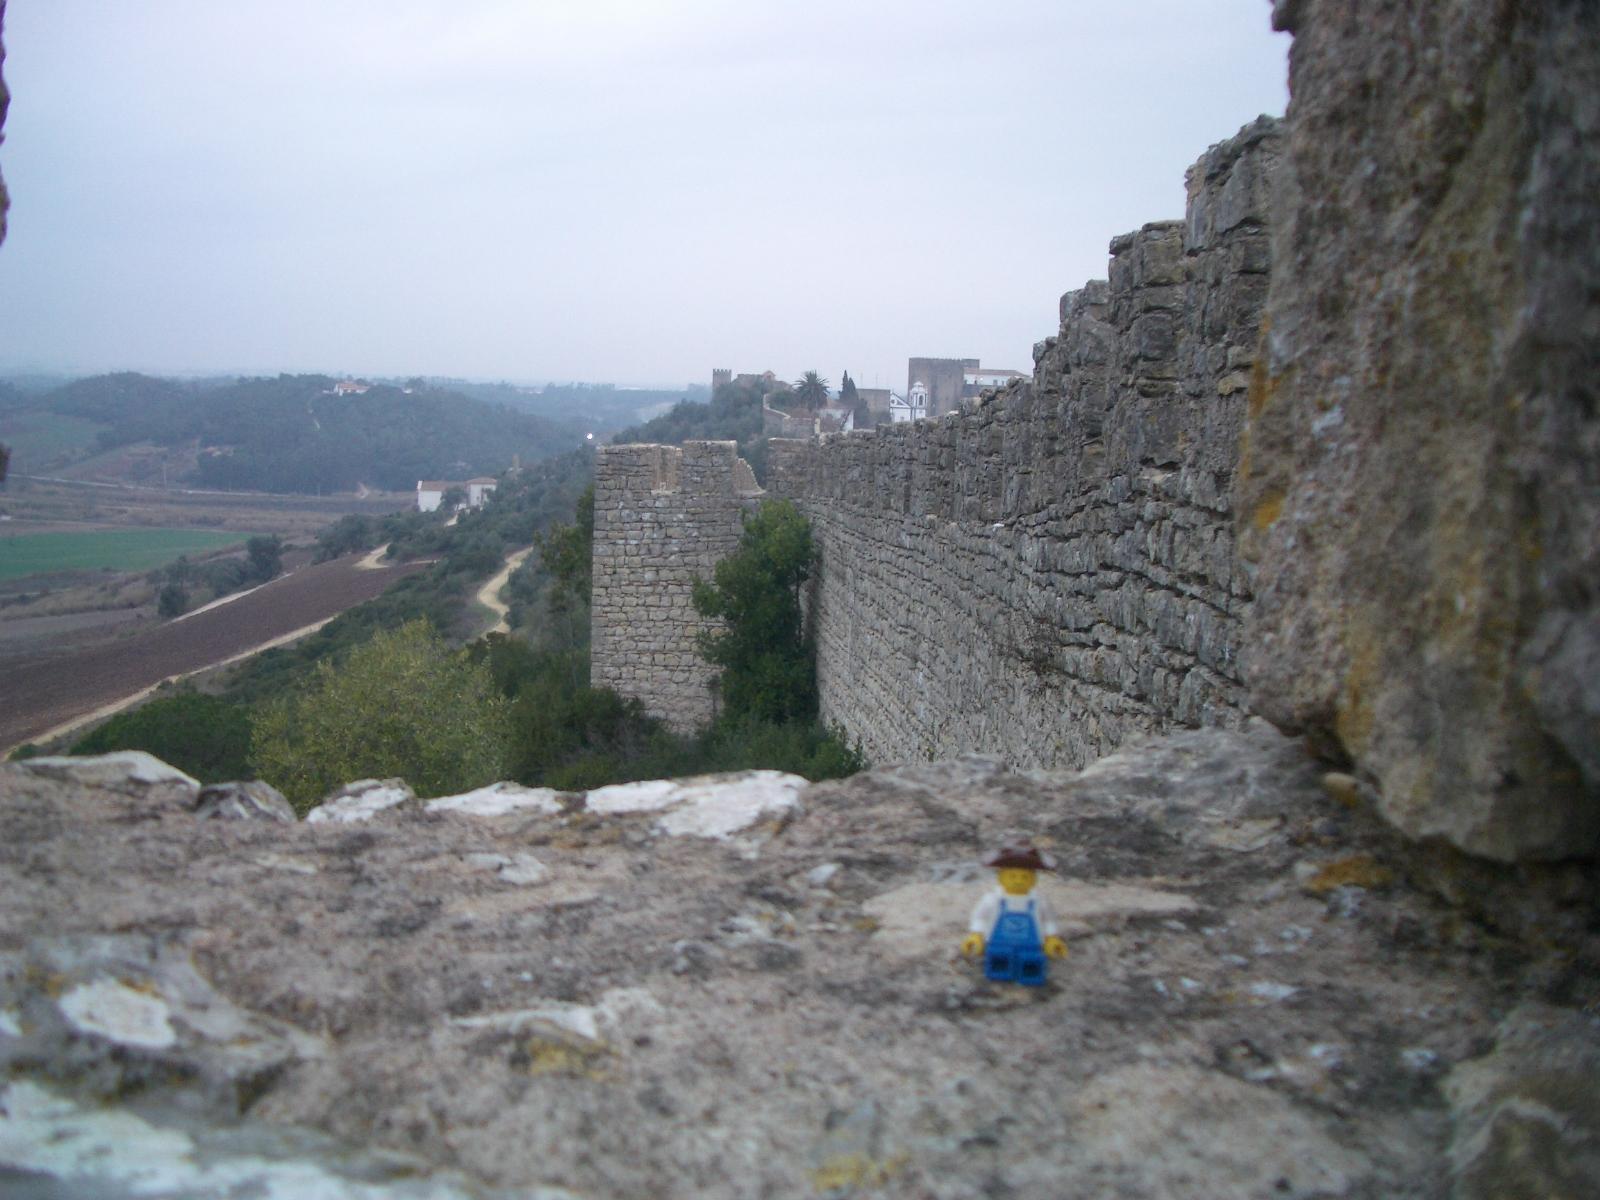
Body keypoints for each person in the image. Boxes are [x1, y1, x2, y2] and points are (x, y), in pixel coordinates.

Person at [961, 843, 1068, 986]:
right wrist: (976, 935)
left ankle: (1030, 975)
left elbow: (1049, 920)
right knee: (999, 959)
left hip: (1031, 944)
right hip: (998, 942)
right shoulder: (993, 900)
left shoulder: (1039, 902)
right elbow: (980, 917)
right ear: (1001, 878)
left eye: (1024, 877)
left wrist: (1052, 938)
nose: (1018, 881)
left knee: (1031, 962)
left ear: (1033, 880)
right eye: (1012, 876)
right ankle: (999, 972)